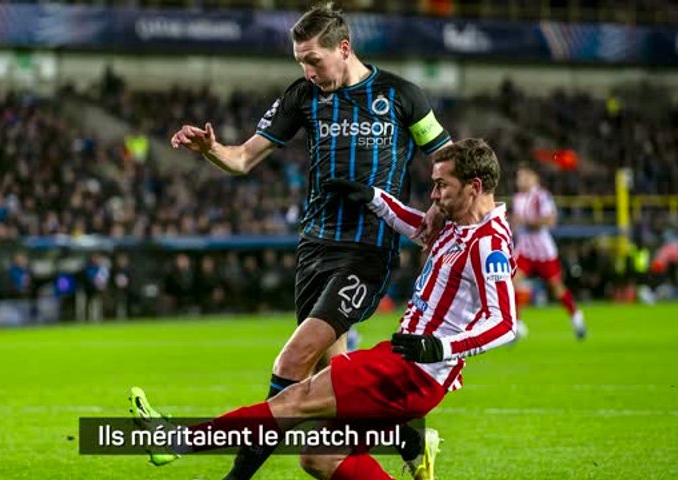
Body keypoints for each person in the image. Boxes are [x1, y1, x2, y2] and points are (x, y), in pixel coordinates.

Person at [169, 4, 451, 478]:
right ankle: (409, 439)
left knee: (293, 359)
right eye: (301, 61)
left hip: (367, 252)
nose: (308, 71)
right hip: (315, 248)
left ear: (344, 48)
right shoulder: (303, 96)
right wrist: (211, 149)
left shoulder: (402, 96)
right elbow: (242, 159)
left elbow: (447, 157)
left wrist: (438, 210)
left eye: (314, 60)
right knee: (330, 393)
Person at [131, 138, 518, 480]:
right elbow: (416, 225)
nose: (434, 195)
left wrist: (441, 347)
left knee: (293, 401)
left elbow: (504, 323)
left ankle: (178, 441)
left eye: (442, 185)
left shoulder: (489, 245)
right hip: (402, 362)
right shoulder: (458, 224)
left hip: (413, 373)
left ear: (474, 187)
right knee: (320, 457)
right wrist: (372, 196)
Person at [511, 164, 586, 339]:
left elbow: (550, 220)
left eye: (524, 177)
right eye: (519, 177)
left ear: (534, 179)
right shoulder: (517, 198)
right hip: (525, 249)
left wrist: (526, 221)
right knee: (510, 283)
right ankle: (517, 325)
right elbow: (516, 222)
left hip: (543, 250)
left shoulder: (541, 196)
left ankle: (576, 317)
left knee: (556, 287)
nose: (520, 181)